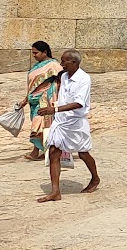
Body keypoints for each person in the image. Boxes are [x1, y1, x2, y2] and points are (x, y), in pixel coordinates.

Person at [37, 49, 99, 202]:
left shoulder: (84, 79)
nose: (61, 64)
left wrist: (54, 109)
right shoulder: (64, 77)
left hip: (76, 121)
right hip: (61, 120)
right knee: (53, 152)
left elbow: (79, 103)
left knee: (83, 153)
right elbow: (63, 96)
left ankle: (95, 178)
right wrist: (54, 107)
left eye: (64, 61)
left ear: (74, 62)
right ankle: (55, 191)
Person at [18, 40, 60, 161]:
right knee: (39, 126)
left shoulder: (53, 65)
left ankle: (36, 151)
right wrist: (25, 100)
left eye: (36, 53)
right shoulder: (37, 66)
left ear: (44, 52)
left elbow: (61, 79)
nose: (34, 55)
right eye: (33, 53)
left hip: (45, 100)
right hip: (34, 100)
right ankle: (45, 151)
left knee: (39, 125)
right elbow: (32, 86)